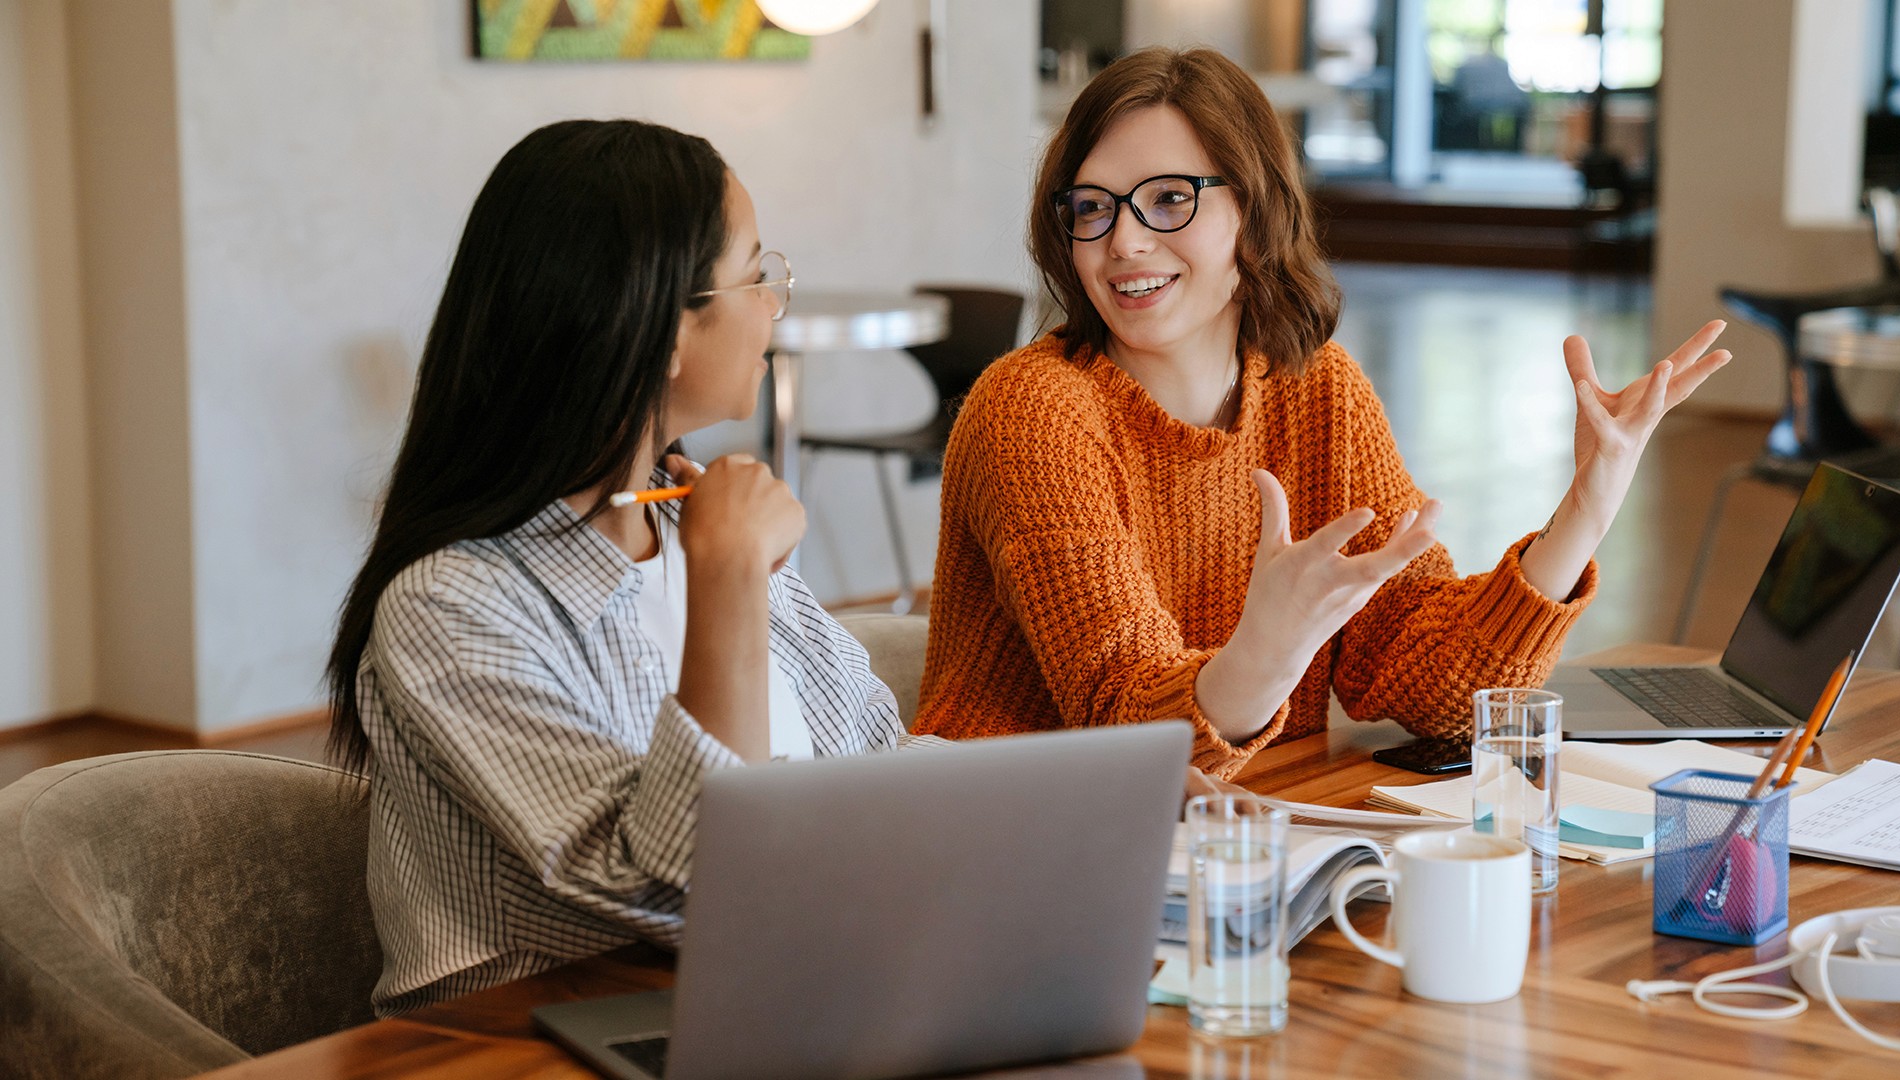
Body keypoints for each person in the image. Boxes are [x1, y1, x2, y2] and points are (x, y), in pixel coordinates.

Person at [913, 48, 1729, 777]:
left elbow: (1433, 687)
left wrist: (1587, 505)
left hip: (1242, 835)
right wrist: (1267, 647)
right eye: (1093, 207)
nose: (1123, 241)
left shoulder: (1316, 390)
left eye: (1168, 199)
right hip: (1009, 848)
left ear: (1256, 212)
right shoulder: (1032, 411)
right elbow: (1129, 732)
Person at [324, 120, 928, 1015]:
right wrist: (728, 578)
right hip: (547, 1048)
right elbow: (703, 898)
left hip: (794, 1006)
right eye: (757, 274)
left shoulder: (695, 520)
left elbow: (878, 756)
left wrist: (1074, 809)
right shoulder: (450, 608)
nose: (775, 304)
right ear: (665, 331)